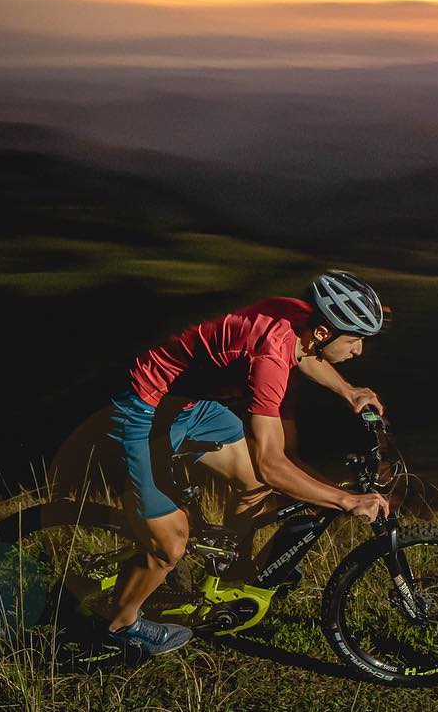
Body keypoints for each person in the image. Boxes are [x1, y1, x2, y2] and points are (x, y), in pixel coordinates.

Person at [104, 270, 392, 656]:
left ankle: (225, 577)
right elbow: (272, 463)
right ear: (324, 331)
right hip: (143, 411)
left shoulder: (297, 317)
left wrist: (349, 391)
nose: (358, 350)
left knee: (254, 485)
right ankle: (120, 628)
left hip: (191, 407)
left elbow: (304, 354)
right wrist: (346, 500)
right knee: (170, 546)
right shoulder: (269, 358)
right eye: (354, 339)